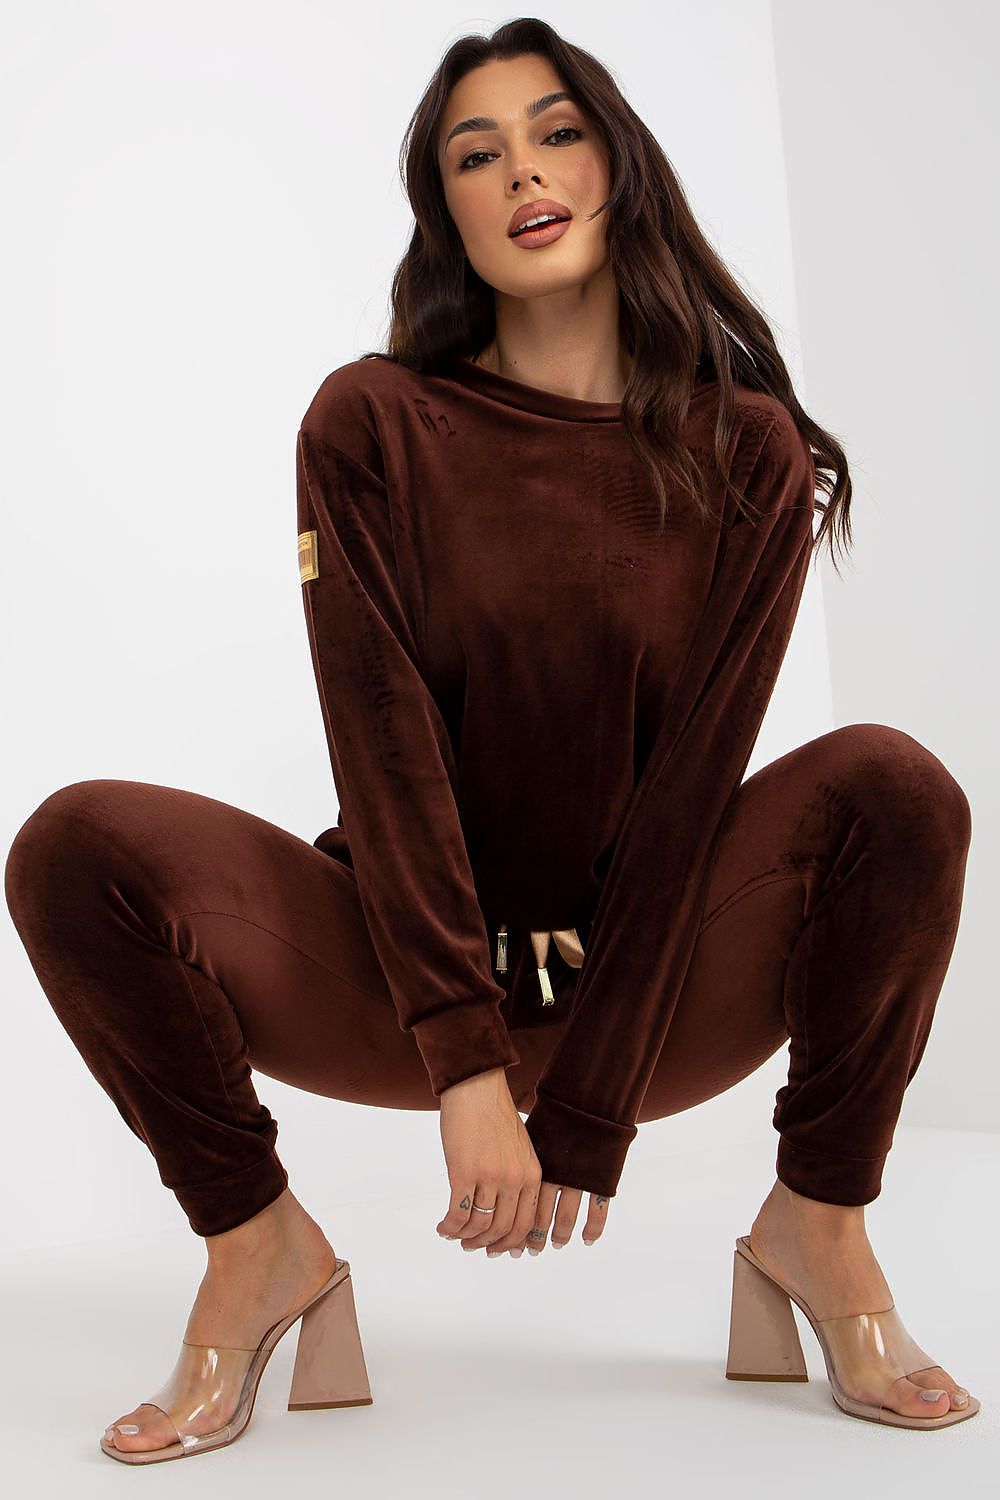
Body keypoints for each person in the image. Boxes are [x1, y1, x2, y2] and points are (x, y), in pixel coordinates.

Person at [3, 17, 979, 1464]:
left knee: (896, 789)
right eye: (479, 153)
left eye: (556, 132)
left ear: (616, 166)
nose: (524, 170)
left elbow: (693, 789)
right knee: (76, 845)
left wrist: (593, 1102)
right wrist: (467, 1063)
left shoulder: (743, 449)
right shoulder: (372, 423)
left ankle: (819, 1229)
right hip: (402, 984)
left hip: (653, 988)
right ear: (445, 210)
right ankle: (256, 1249)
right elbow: (382, 750)